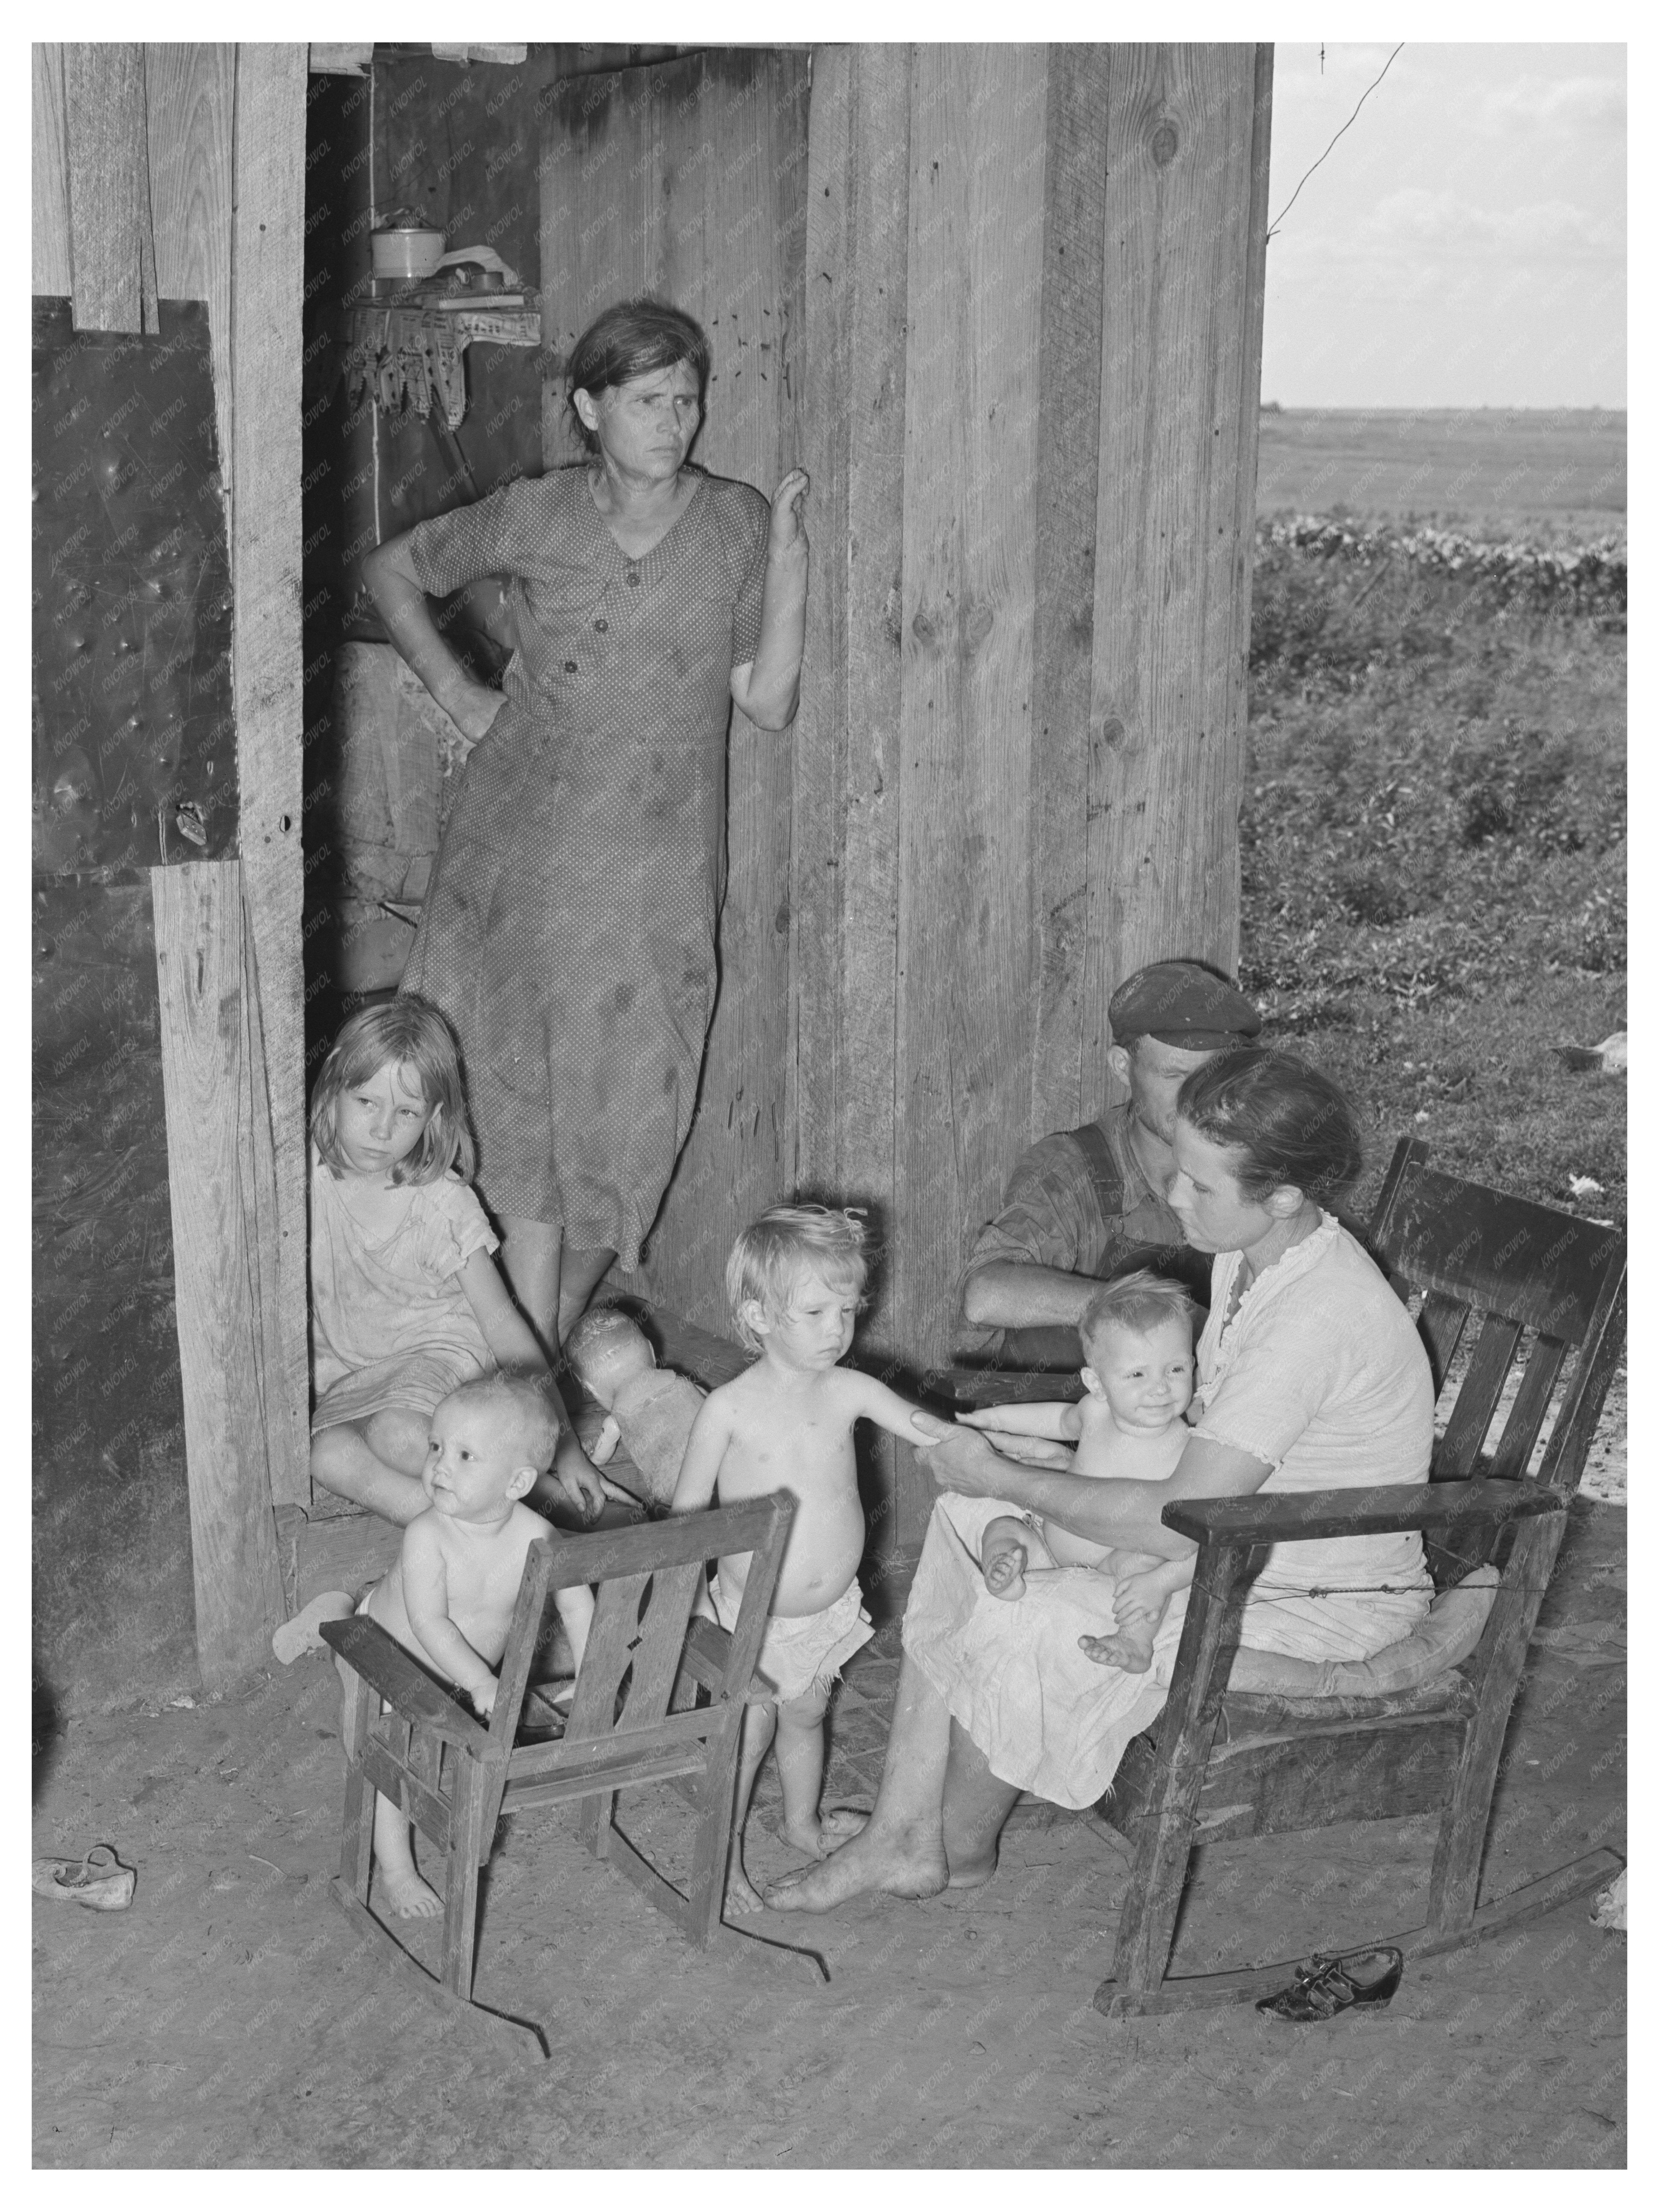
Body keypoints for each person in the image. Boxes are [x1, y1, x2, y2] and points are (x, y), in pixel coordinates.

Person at [766, 1051, 1435, 1914]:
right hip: (1245, 1538)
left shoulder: (1315, 1316)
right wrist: (1046, 1461)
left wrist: (1015, 1470)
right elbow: (1198, 1463)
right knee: (973, 1514)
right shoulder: (1254, 1251)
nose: (1175, 1198)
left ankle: (957, 1850)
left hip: (1314, 1587)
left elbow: (1174, 1521)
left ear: (1280, 1196)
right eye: (1175, 1172)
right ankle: (901, 1832)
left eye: (1197, 1185)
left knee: (1032, 1604)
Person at [363, 296, 810, 1350]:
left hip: (653, 868)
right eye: (649, 400)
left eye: (688, 401)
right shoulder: (538, 513)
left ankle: (524, 1361)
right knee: (518, 1097)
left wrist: (788, 561)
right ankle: (531, 1376)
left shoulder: (736, 524)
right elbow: (392, 571)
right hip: (520, 850)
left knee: (638, 1107)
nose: (675, 421)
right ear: (591, 406)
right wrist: (465, 698)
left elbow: (771, 700)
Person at [669, 1206, 929, 1910]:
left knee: (808, 1714)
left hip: (824, 1614)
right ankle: (720, 1860)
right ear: (757, 1314)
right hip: (751, 1621)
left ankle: (801, 1822)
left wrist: (987, 1446)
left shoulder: (847, 1388)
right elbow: (687, 1516)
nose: (838, 1329)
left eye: (847, 1310)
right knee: (749, 1735)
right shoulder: (727, 1409)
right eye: (815, 1311)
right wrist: (683, 1598)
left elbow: (921, 1425)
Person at [307, 997, 602, 1529]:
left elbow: (504, 1327)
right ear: (333, 1088)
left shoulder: (440, 1202)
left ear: (434, 1118)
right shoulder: (304, 1176)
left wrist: (563, 1446)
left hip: (442, 1353)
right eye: (366, 1101)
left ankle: (531, 1508)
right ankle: (471, 1535)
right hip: (356, 1372)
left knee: (396, 1433)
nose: (381, 1130)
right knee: (326, 1455)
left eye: (406, 1113)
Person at [334, 1375, 595, 1918]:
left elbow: (575, 1604)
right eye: (436, 1446)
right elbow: (429, 1622)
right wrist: (479, 1682)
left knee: (429, 1738)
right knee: (387, 1758)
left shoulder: (538, 1537)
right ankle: (397, 1870)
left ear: (518, 1481)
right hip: (383, 1659)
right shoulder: (427, 1534)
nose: (440, 1466)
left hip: (455, 1678)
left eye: (465, 1454)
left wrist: (597, 1669)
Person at [957, 960, 1261, 1365]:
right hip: (1063, 1420)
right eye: (1174, 1077)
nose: (1195, 1100)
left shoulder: (1257, 1168)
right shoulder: (1072, 1169)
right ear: (1123, 1066)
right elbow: (986, 1294)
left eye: (1211, 1077)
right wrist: (1159, 1313)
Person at [971, 1271, 1197, 1674]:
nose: (1161, 1388)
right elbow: (1057, 1421)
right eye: (1138, 1374)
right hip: (1047, 1546)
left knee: (1143, 1561)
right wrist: (997, 1419)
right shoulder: (1094, 1412)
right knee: (1003, 1527)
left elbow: (1201, 1543)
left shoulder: (1187, 1448)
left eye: (1176, 1370)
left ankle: (1135, 1642)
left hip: (1115, 1569)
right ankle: (1004, 1571)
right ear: (1097, 1383)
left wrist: (1164, 1581)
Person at [564, 1306, 707, 1510]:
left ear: (591, 1389)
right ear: (650, 1350)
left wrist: (592, 1458)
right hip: (721, 1455)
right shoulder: (682, 1382)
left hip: (677, 1489)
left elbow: (602, 1458)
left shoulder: (616, 1422)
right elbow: (712, 1401)